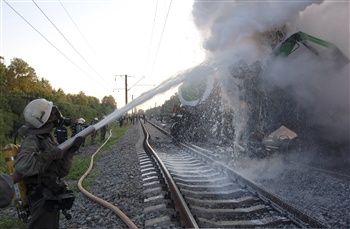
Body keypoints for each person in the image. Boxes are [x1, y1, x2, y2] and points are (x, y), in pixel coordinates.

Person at [9, 98, 84, 229]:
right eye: (52, 113)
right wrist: (50, 155)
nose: (56, 116)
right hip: (41, 199)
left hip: (50, 196)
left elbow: (61, 171)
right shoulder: (32, 140)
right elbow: (22, 166)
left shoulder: (47, 138)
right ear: (44, 119)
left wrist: (69, 152)